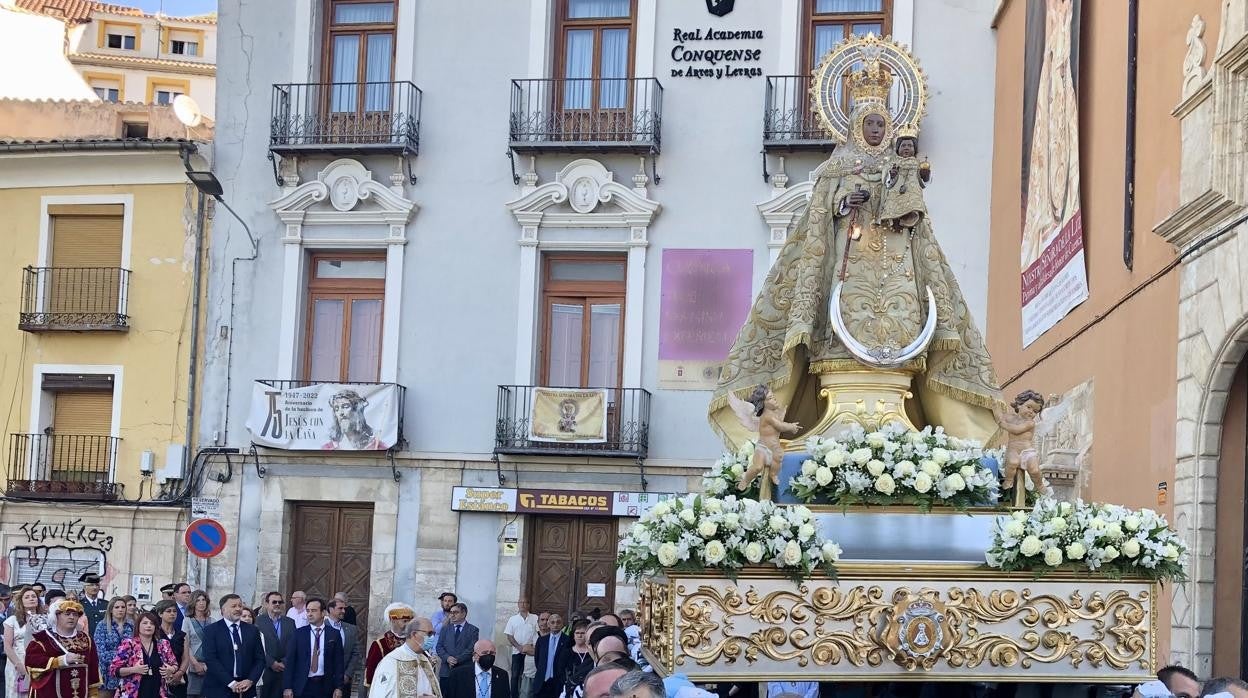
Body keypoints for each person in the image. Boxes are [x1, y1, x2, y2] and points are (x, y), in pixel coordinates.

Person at [708, 55, 1001, 448]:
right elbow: (818, 216)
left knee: (909, 318)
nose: (877, 130)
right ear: (855, 125)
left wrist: (905, 188)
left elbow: (919, 217)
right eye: (870, 124)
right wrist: (845, 203)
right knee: (839, 315)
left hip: (898, 269)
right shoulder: (837, 167)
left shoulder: (902, 163)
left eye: (882, 123)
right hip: (846, 270)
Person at [25, 598, 101, 698]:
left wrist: (94, 694)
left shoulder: (86, 640)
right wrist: (61, 661)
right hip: (49, 693)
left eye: (75, 614)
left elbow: (93, 669)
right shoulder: (43, 640)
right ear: (56, 616)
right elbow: (32, 665)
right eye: (67, 614)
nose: (71, 617)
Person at [200, 595, 265, 698]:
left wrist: (250, 680)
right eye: (234, 606)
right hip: (218, 689)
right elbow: (211, 659)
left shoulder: (252, 630)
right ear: (223, 609)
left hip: (246, 689)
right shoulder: (211, 631)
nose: (238, 609)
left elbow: (260, 659)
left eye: (240, 606)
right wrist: (231, 683)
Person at [282, 598, 343, 698]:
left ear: (323, 613)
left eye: (313, 611)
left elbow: (338, 662)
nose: (309, 614)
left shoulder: (334, 634)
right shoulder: (298, 634)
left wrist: (338, 687)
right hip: (303, 685)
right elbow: (290, 661)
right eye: (308, 611)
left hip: (325, 685)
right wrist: (287, 687)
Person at [110, 611, 178, 698]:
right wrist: (134, 669)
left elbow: (175, 664)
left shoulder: (163, 644)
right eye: (145, 623)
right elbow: (113, 670)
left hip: (158, 692)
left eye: (152, 623)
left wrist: (171, 669)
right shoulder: (129, 644)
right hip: (133, 693)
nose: (149, 626)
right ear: (138, 626)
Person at [369, 617, 440, 698]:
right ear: (414, 634)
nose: (432, 638)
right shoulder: (391, 662)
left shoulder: (424, 660)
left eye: (433, 634)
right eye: (429, 634)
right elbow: (380, 695)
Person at [5, 586, 45, 698]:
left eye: (34, 596)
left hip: (39, 665)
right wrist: (19, 665)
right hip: (17, 664)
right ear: (21, 601)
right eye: (27, 597)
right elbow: (7, 646)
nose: (31, 599)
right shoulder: (12, 621)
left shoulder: (45, 619)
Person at [255, 592, 295, 698]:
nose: (278, 604)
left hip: (284, 671)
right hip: (265, 670)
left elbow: (293, 645)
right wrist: (271, 662)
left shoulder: (290, 622)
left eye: (280, 602)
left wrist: (284, 662)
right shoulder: (258, 621)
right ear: (267, 604)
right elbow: (256, 646)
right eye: (274, 602)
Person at [365, 603, 413, 688]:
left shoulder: (414, 642)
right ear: (393, 620)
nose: (408, 624)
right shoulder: (380, 644)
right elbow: (371, 670)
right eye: (404, 621)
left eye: (410, 621)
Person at [434, 604, 478, 698]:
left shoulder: (473, 630)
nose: (452, 615)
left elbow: (471, 649)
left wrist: (456, 660)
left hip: (464, 670)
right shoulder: (445, 629)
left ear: (464, 614)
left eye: (455, 612)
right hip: (446, 671)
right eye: (451, 613)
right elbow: (439, 647)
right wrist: (448, 658)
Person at [96, 598, 135, 698]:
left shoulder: (131, 625)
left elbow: (136, 648)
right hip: (108, 672)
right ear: (110, 610)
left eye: (123, 607)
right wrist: (122, 657)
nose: (120, 609)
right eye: (117, 607)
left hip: (128, 672)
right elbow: (101, 652)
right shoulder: (102, 625)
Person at [503, 601, 538, 698]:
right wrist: (519, 647)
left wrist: (531, 647)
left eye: (525, 603)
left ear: (528, 605)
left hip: (531, 653)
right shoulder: (513, 619)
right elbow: (509, 635)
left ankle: (526, 694)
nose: (523, 604)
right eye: (521, 603)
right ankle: (514, 695)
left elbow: (538, 633)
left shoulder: (535, 618)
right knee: (515, 675)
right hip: (517, 651)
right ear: (518, 605)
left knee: (528, 675)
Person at [324, 599, 360, 691]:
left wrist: (348, 674)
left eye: (344, 608)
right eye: (340, 608)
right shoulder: (321, 627)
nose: (343, 611)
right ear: (331, 609)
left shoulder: (351, 629)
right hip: (323, 680)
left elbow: (355, 653)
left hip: (344, 680)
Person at [182, 591, 213, 698]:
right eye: (198, 600)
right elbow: (186, 644)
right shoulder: (187, 621)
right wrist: (195, 664)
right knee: (193, 694)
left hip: (210, 665)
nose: (201, 603)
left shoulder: (212, 621)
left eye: (203, 600)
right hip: (193, 664)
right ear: (193, 603)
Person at [154, 601, 188, 698]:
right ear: (160, 614)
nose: (172, 614)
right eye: (168, 611)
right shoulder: (155, 633)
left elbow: (185, 658)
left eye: (174, 611)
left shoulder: (182, 634)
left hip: (179, 678)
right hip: (160, 676)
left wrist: (179, 673)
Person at [532, 614, 567, 698]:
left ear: (562, 624)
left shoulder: (567, 640)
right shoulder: (541, 640)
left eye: (558, 622)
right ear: (548, 624)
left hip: (559, 683)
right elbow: (537, 660)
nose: (555, 625)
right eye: (553, 622)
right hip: (542, 682)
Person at [558, 622, 591, 698]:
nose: (579, 635)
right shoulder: (566, 652)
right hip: (569, 688)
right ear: (573, 635)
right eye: (577, 633)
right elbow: (560, 671)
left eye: (582, 633)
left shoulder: (592, 652)